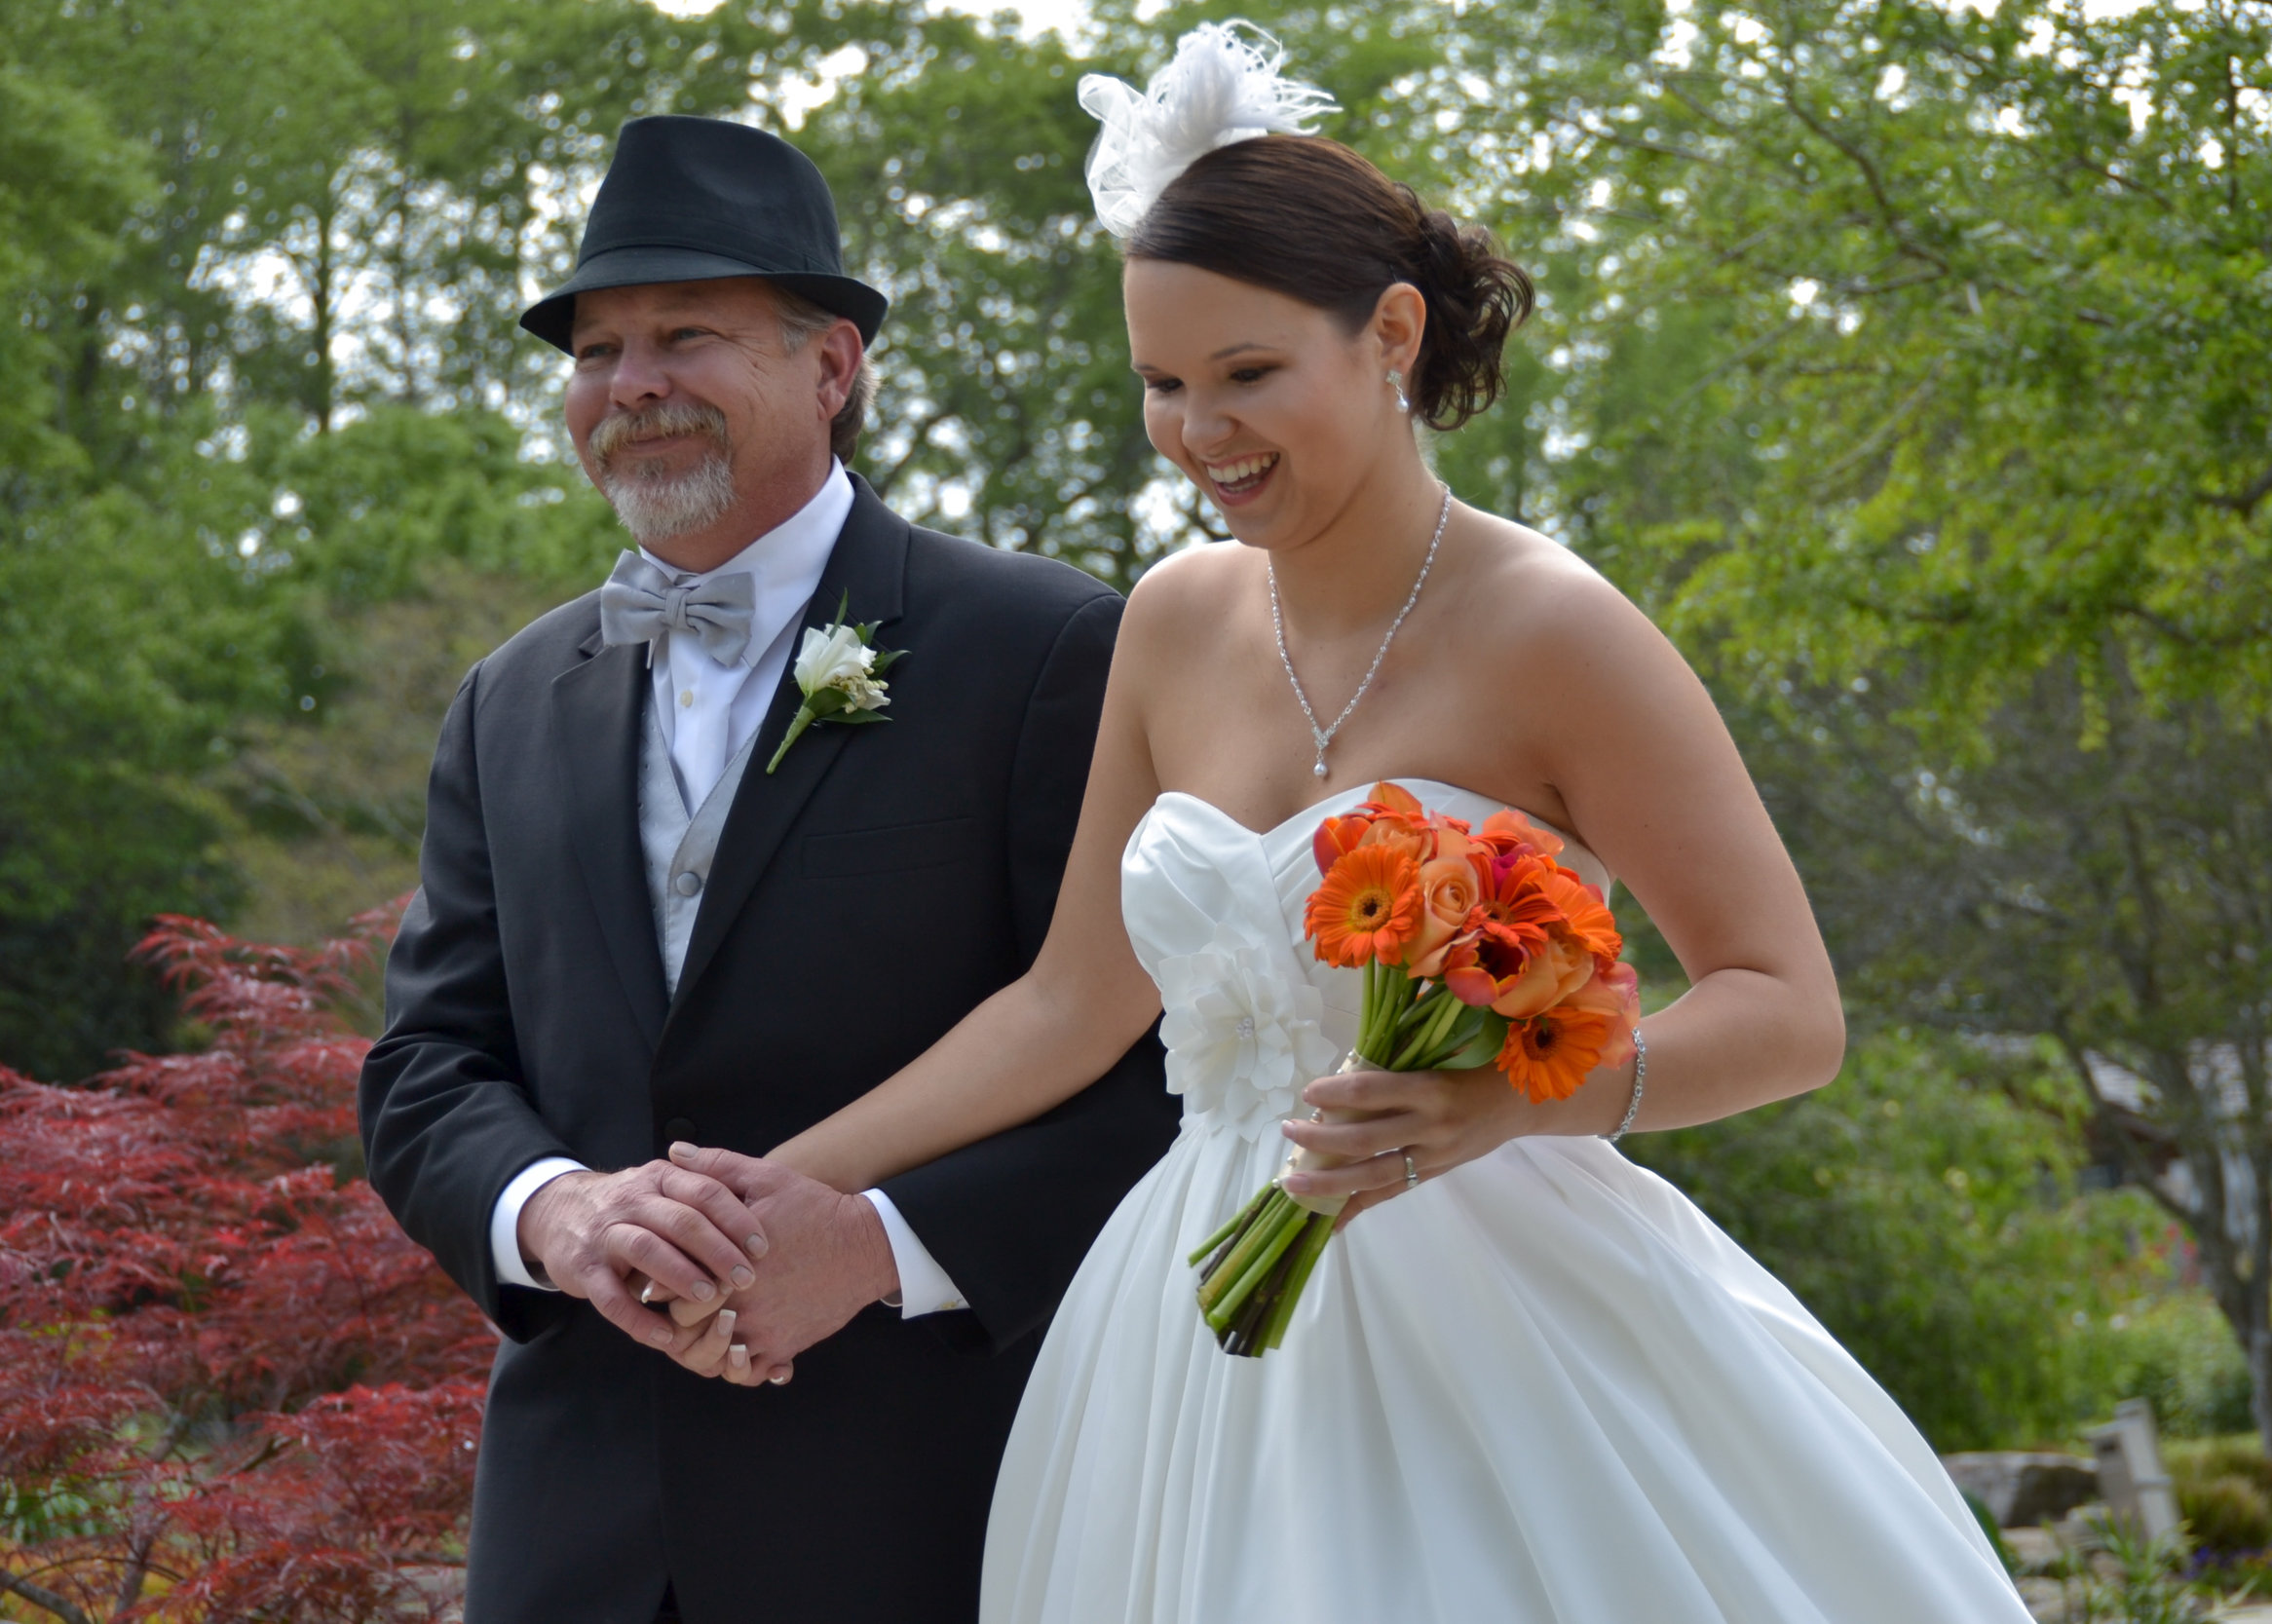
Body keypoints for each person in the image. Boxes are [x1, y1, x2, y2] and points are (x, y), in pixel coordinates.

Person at [668, 25, 2038, 1623]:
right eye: (1161, 385)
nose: (1198, 432)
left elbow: (1789, 1011)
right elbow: (1068, 1005)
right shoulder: (1171, 623)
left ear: (1391, 334)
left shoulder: (1556, 630)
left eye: (1248, 374)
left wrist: (1528, 1101)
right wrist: (765, 1189)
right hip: (1182, 1322)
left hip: (1508, 1315)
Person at [355, 114, 1177, 1624]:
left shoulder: (1053, 649)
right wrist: (561, 1214)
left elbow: (1157, 1069)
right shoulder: (508, 697)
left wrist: (875, 1248)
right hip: (575, 1524)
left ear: (832, 366)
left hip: (924, 1505)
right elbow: (427, 1066)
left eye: (685, 333)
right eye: (597, 350)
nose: (632, 384)